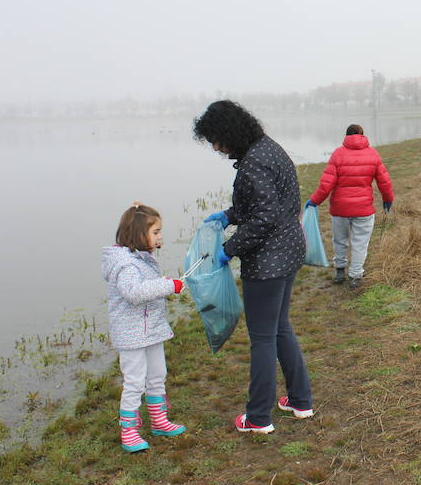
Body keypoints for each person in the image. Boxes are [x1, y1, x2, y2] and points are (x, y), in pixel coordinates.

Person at [194, 100, 313, 434]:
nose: (216, 147)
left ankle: (258, 418)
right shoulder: (268, 149)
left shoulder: (253, 163)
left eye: (216, 140)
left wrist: (227, 250)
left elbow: (264, 217)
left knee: (262, 338)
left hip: (269, 262)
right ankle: (300, 400)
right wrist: (228, 215)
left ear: (229, 132)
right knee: (280, 328)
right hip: (289, 251)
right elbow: (266, 203)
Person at [102, 203, 187, 453]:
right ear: (139, 235)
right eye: (156, 232)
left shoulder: (141, 259)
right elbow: (134, 293)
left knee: (157, 375)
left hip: (151, 330)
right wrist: (168, 285)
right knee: (135, 382)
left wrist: (167, 286)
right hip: (131, 335)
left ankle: (159, 421)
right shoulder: (125, 264)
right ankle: (129, 431)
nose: (160, 237)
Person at [307, 124, 394, 290]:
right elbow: (384, 181)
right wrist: (388, 199)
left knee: (339, 240)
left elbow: (326, 184)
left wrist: (314, 201)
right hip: (364, 209)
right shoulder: (372, 154)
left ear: (346, 136)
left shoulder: (338, 154)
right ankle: (355, 276)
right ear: (362, 135)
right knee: (360, 242)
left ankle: (340, 270)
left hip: (340, 209)